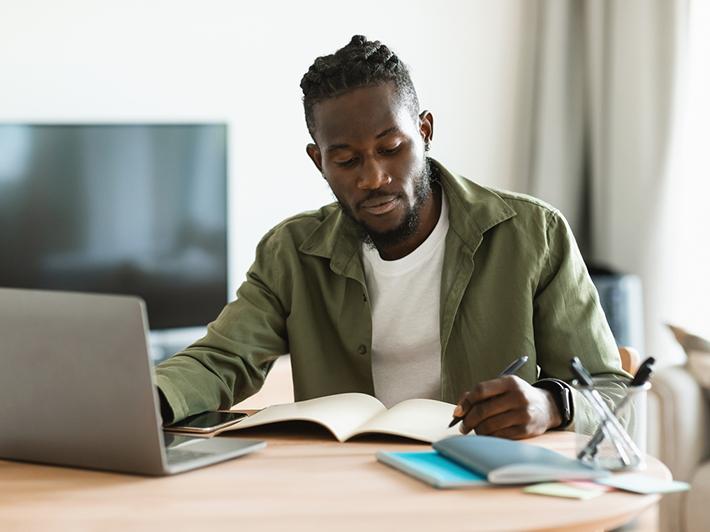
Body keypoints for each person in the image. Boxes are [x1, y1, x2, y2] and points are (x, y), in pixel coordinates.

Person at [156, 35, 627, 439]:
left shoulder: (531, 234)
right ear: (318, 161)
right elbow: (221, 360)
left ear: (424, 131)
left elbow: (609, 390)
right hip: (349, 489)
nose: (373, 177)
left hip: (484, 484)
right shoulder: (291, 252)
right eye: (346, 160)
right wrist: (147, 399)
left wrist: (551, 405)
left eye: (391, 148)